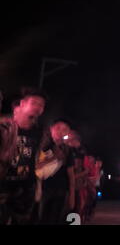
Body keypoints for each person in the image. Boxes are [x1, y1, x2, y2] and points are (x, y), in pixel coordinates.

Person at [0, 88, 46, 224]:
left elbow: (46, 155)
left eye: (42, 105)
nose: (38, 107)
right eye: (34, 103)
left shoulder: (40, 132)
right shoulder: (4, 126)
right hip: (3, 184)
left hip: (25, 187)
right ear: (22, 104)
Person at [39, 119, 75, 224]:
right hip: (42, 189)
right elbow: (35, 167)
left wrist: (72, 196)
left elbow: (71, 175)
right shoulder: (42, 145)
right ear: (51, 129)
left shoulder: (68, 150)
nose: (60, 131)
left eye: (64, 129)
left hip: (60, 191)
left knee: (55, 219)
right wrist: (53, 158)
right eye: (58, 128)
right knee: (40, 219)